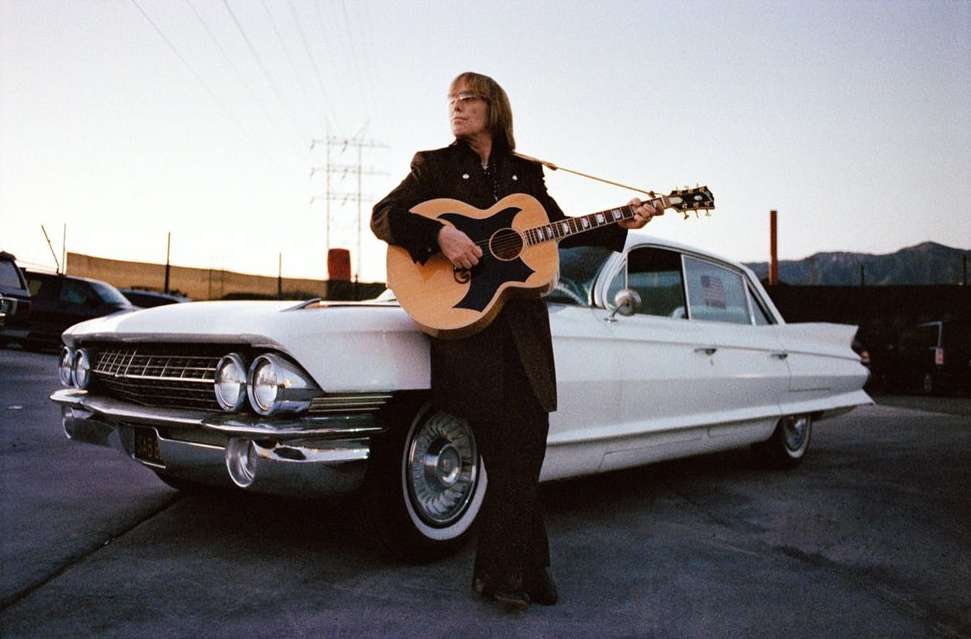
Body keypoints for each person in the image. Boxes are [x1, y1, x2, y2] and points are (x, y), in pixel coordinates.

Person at [371, 71, 656, 611]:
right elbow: (384, 216)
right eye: (451, 100)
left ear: (494, 108)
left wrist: (625, 222)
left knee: (526, 445)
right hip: (467, 325)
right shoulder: (431, 166)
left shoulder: (524, 172)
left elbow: (559, 228)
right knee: (506, 452)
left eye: (468, 99)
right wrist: (440, 234)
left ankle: (523, 567)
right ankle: (510, 573)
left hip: (523, 330)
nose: (456, 107)